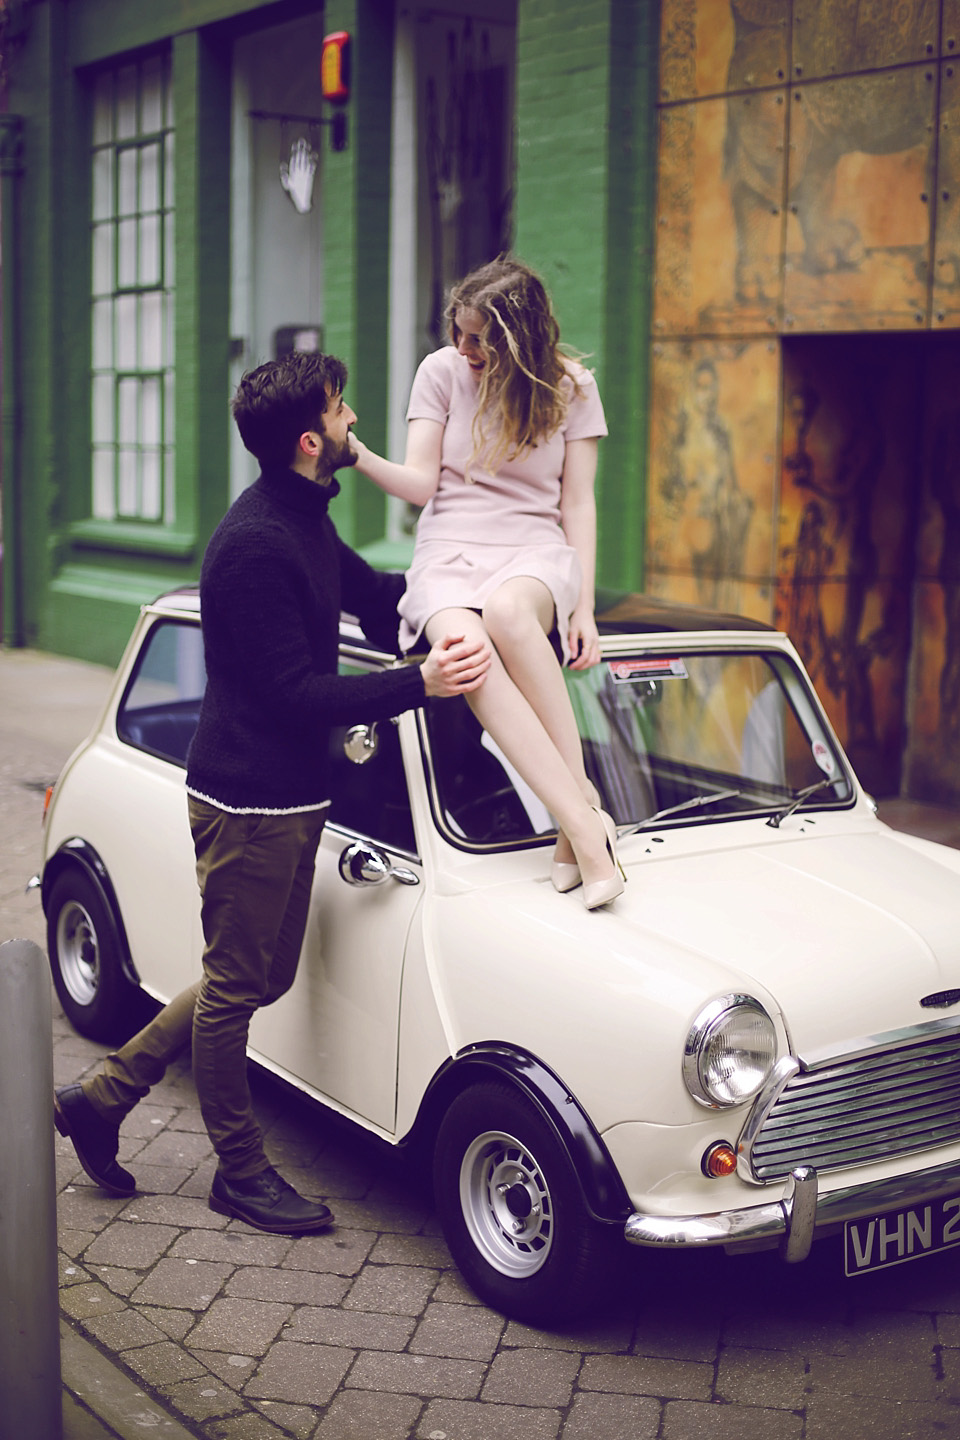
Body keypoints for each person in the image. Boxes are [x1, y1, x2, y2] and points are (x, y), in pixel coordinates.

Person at [54, 351, 491, 1234]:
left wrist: (481, 596)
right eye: (341, 410)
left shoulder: (303, 517)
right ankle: (238, 1173)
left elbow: (372, 593)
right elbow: (295, 694)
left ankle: (100, 1097)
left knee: (249, 975)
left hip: (289, 797)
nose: (354, 418)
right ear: (308, 439)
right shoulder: (253, 544)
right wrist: (422, 682)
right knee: (235, 989)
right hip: (247, 801)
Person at [349, 257, 624, 910]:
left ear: (518, 339)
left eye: (480, 338)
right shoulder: (440, 372)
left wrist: (581, 607)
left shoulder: (572, 387)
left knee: (506, 612)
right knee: (466, 657)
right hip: (448, 549)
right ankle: (586, 823)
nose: (464, 348)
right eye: (459, 332)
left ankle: (575, 827)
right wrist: (353, 453)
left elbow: (577, 504)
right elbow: (421, 485)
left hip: (532, 545)